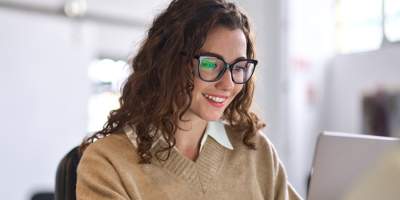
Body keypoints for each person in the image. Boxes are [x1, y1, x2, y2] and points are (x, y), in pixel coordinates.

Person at [77, 0, 303, 199]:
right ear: (168, 62)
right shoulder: (107, 163)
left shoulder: (255, 150)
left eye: (239, 67)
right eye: (210, 64)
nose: (229, 85)